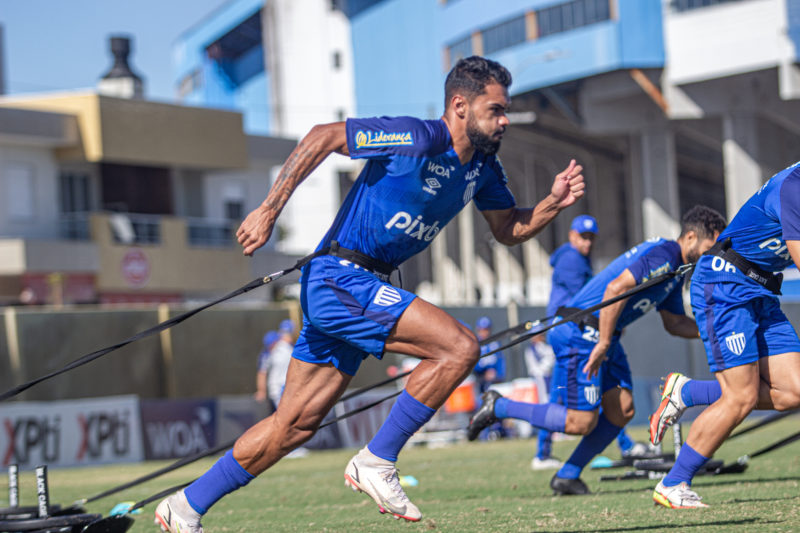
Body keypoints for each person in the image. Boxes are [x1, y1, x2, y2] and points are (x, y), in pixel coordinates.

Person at [153, 55, 585, 532]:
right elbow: (322, 136)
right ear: (460, 106)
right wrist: (268, 211)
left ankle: (185, 507)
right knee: (460, 347)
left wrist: (551, 203)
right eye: (495, 110)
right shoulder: (417, 137)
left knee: (294, 426)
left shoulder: (483, 167)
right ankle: (377, 460)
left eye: (505, 110)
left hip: (359, 287)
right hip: (340, 278)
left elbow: (507, 228)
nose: (504, 120)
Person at [467, 206, 727, 496]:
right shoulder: (665, 253)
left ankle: (567, 476)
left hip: (603, 335)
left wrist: (718, 330)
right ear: (690, 237)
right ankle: (498, 406)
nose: (712, 255)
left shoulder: (676, 271)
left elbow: (675, 323)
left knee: (622, 408)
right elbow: (615, 289)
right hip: (582, 333)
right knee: (581, 421)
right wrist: (603, 342)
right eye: (710, 247)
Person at [649, 161, 800, 509]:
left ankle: (686, 391)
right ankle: (673, 483)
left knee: (793, 392)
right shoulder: (795, 186)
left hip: (759, 289)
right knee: (741, 397)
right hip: (725, 283)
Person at [536, 215, 648, 470]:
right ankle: (542, 452)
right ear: (572, 236)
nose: (587, 242)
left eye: (591, 238)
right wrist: (609, 321)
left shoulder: (578, 258)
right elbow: (588, 300)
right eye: (583, 237)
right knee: (585, 391)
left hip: (573, 330)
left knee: (582, 391)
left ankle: (544, 452)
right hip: (572, 332)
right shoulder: (571, 259)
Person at [473, 316, 505, 393]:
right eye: (482, 330)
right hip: (480, 381)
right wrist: (484, 374)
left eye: (486, 330)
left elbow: (500, 361)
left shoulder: (495, 344)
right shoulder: (475, 344)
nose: (484, 332)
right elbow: (473, 365)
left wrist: (499, 375)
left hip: (494, 380)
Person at [254, 330, 279, 404]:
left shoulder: (287, 348)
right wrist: (261, 391)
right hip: (277, 390)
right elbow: (262, 373)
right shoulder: (266, 355)